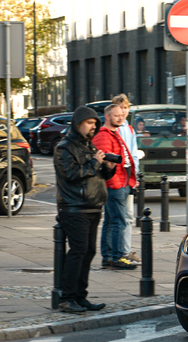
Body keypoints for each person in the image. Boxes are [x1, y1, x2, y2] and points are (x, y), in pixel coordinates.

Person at [53, 106, 117, 313]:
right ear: (78, 123)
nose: (93, 127)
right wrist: (94, 162)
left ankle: (81, 297)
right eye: (90, 123)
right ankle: (67, 298)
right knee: (78, 251)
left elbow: (98, 177)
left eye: (95, 124)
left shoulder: (88, 146)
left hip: (93, 206)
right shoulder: (64, 148)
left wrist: (108, 167)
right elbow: (71, 174)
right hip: (74, 208)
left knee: (88, 252)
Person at [93, 104, 138, 270]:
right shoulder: (104, 135)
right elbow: (106, 163)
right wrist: (116, 183)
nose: (121, 118)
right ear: (107, 116)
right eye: (116, 115)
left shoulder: (113, 133)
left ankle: (108, 256)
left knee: (111, 221)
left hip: (120, 182)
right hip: (115, 184)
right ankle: (117, 257)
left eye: (122, 115)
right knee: (118, 221)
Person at [111, 94, 141, 265]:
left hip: (128, 176)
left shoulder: (129, 129)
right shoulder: (115, 128)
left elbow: (134, 154)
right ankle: (121, 252)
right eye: (120, 108)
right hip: (119, 178)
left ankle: (121, 251)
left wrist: (135, 175)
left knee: (125, 216)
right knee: (121, 217)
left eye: (126, 108)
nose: (123, 111)